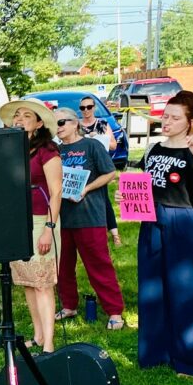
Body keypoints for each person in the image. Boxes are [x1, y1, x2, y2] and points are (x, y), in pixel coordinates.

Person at [122, 91, 193, 376]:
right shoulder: (155, 148)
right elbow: (145, 184)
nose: (166, 122)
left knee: (186, 290)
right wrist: (129, 198)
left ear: (190, 121)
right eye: (165, 116)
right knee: (153, 287)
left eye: (175, 118)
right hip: (152, 221)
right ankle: (156, 353)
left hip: (184, 222)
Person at [0, 100, 63, 353]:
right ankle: (37, 335)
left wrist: (49, 227)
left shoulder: (48, 151)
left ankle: (49, 344)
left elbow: (56, 192)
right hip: (17, 221)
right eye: (17, 115)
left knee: (42, 283)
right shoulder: (11, 150)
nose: (20, 119)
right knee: (26, 281)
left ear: (38, 123)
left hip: (41, 221)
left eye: (27, 116)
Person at [54, 108, 125, 330]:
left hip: (89, 215)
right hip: (60, 218)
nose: (58, 127)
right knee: (62, 266)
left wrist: (86, 188)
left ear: (75, 123)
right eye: (54, 124)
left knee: (98, 264)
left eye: (62, 122)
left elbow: (109, 173)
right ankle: (69, 305)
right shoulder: (54, 151)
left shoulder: (92, 146)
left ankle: (114, 312)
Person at [77, 96, 122, 247]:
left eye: (89, 107)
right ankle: (89, 235)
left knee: (104, 201)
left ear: (94, 107)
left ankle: (115, 234)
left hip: (100, 168)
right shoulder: (78, 126)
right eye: (83, 108)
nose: (86, 110)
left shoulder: (102, 124)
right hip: (84, 167)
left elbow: (114, 146)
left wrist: (99, 138)